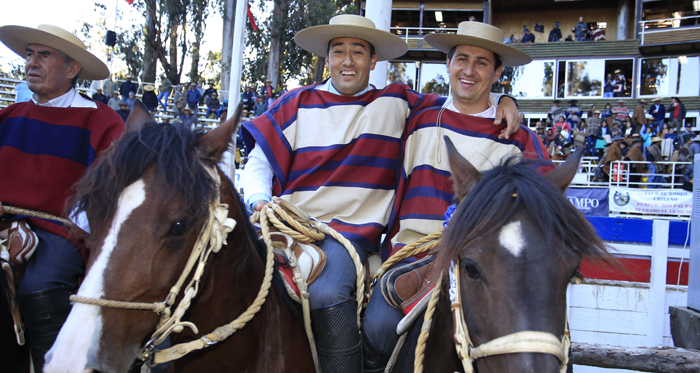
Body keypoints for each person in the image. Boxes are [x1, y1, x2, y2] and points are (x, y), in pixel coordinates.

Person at [241, 14, 520, 373]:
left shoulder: (399, 103)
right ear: (327, 59)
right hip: (288, 224)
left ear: (374, 61)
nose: (347, 60)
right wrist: (258, 198)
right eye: (338, 51)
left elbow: (465, 97)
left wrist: (503, 99)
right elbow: (258, 161)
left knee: (327, 293)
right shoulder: (295, 102)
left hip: (346, 237)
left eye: (358, 52)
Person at [362, 21, 552, 372]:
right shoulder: (415, 116)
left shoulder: (519, 139)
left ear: (497, 72)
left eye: (482, 62)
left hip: (486, 269)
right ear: (447, 65)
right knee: (377, 325)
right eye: (461, 59)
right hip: (412, 255)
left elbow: (545, 219)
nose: (469, 70)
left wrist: (505, 101)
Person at [0, 24, 125, 371]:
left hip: (62, 231)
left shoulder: (102, 120)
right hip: (3, 223)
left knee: (39, 289)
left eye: (44, 55)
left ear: (72, 69)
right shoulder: (7, 117)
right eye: (29, 54)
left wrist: (77, 224)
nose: (31, 63)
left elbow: (109, 185)